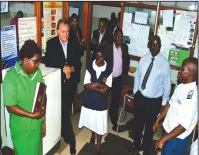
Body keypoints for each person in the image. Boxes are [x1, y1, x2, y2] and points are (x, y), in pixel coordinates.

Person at [2, 40, 46, 155]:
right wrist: (31, 115)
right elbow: (10, 106)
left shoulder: (37, 73)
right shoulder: (11, 78)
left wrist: (43, 114)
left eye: (39, 61)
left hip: (36, 126)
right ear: (26, 60)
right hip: (22, 130)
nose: (38, 65)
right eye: (35, 62)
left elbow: (43, 92)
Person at [45, 18, 81, 155]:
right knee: (59, 113)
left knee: (65, 112)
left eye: (67, 32)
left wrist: (71, 68)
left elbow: (78, 64)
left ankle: (70, 139)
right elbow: (48, 63)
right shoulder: (51, 44)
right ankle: (69, 138)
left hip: (69, 85)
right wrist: (62, 68)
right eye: (63, 32)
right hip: (56, 84)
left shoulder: (73, 43)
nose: (66, 35)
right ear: (57, 31)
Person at [131, 35, 171, 155]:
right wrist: (135, 91)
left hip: (154, 101)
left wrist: (163, 103)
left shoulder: (164, 63)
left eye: (157, 45)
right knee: (137, 123)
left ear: (160, 47)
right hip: (140, 97)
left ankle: (146, 149)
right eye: (153, 45)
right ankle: (136, 144)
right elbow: (137, 76)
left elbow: (167, 84)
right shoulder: (143, 59)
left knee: (149, 127)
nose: (155, 47)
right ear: (149, 45)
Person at [153, 57, 198, 155]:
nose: (179, 71)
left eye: (182, 69)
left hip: (177, 139)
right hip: (169, 133)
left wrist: (162, 140)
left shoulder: (192, 98)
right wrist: (158, 119)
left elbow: (182, 127)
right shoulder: (181, 86)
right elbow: (170, 105)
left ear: (190, 73)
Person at [78, 48, 112, 155]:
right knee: (93, 119)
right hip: (90, 100)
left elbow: (106, 88)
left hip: (101, 102)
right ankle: (92, 136)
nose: (98, 59)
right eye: (97, 56)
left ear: (105, 56)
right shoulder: (89, 66)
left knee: (100, 123)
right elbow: (86, 85)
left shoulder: (108, 69)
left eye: (101, 56)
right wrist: (98, 85)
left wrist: (94, 85)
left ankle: (98, 146)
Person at [104, 28, 130, 132]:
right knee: (104, 98)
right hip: (108, 78)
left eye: (121, 36)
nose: (120, 38)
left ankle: (114, 120)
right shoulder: (108, 47)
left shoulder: (124, 48)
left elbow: (126, 63)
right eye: (118, 36)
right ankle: (102, 117)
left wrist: (124, 79)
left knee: (115, 100)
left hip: (118, 79)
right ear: (114, 37)